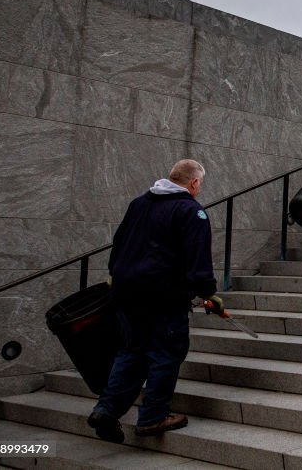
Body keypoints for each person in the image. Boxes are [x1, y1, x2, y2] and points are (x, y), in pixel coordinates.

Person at [87, 159, 222, 443]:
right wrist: (208, 293)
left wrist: (115, 274)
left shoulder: (139, 203)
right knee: (165, 353)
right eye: (200, 185)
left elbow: (119, 242)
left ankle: (106, 411)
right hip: (163, 297)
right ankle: (153, 416)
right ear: (194, 183)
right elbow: (198, 260)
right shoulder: (191, 211)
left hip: (125, 292)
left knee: (131, 352)